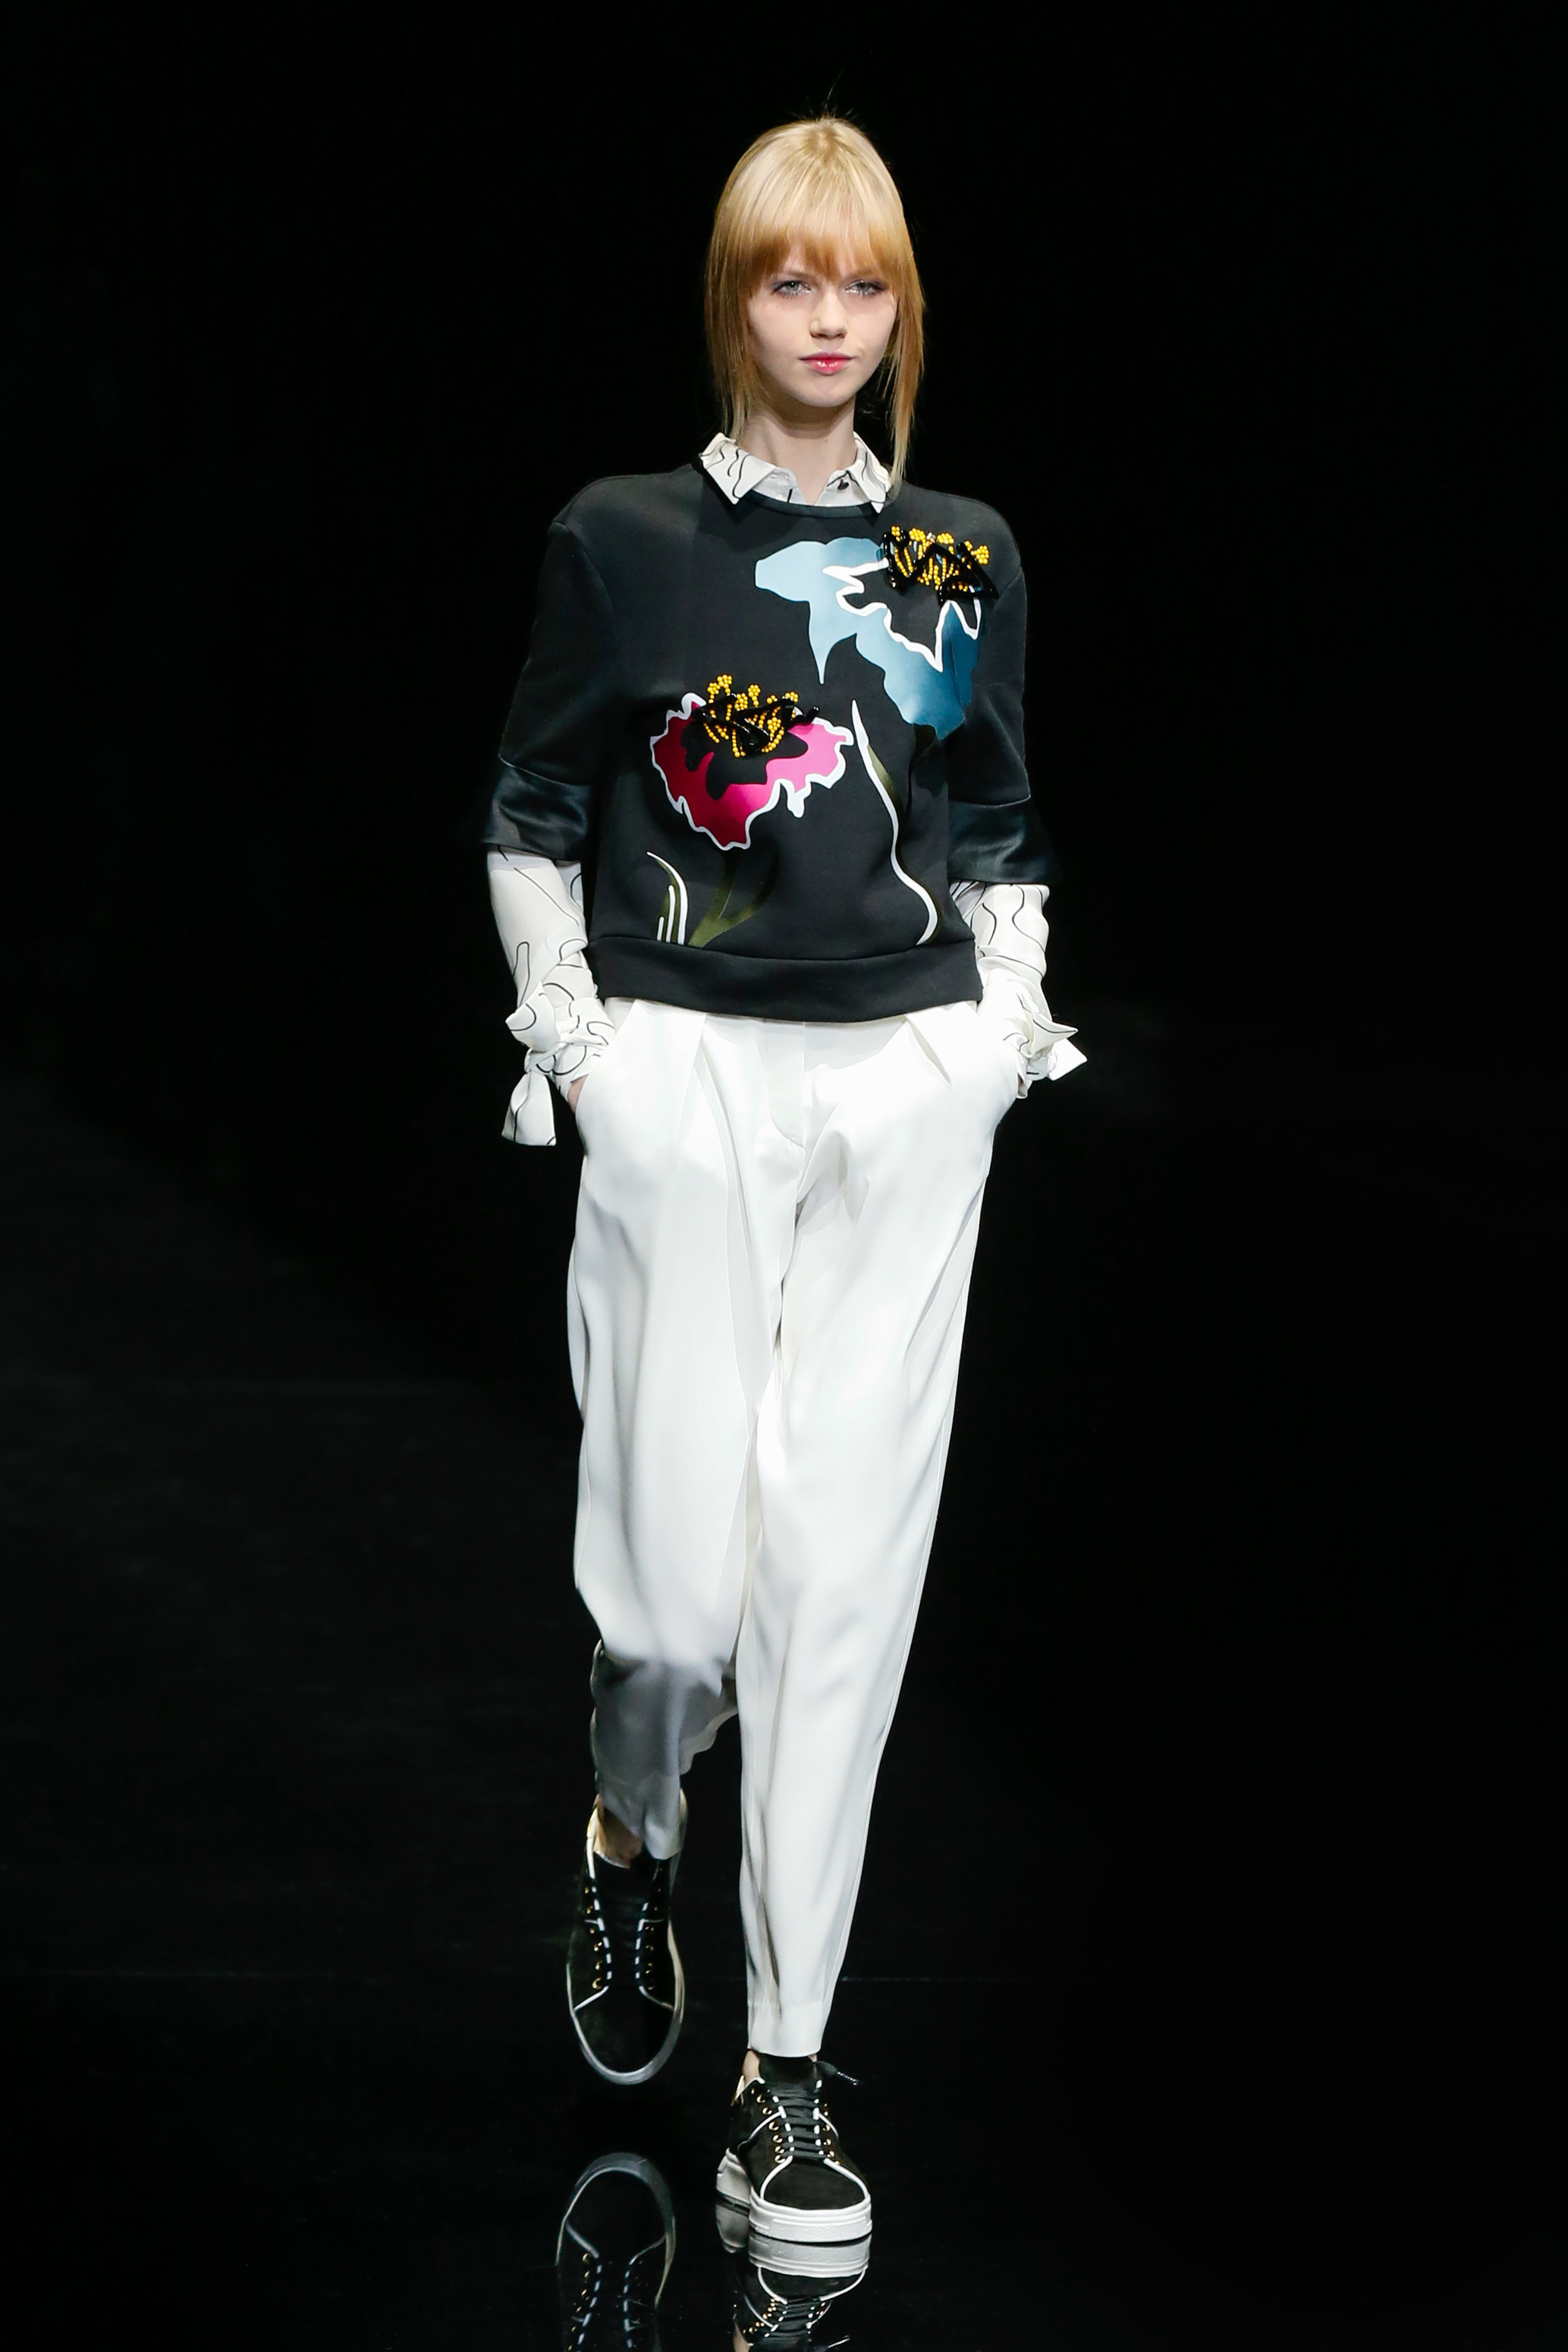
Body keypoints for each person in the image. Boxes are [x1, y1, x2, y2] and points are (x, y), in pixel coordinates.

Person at [484, 114, 1083, 2258]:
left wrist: (992, 1048)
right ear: (735, 299)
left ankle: (787, 2075)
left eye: (863, 284)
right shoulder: (621, 536)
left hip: (899, 1083)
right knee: (668, 1601)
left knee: (836, 1584)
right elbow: (534, 804)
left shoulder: (960, 555)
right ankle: (628, 1824)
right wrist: (590, 1057)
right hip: (682, 1068)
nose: (828, 318)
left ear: (899, 312)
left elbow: (991, 817)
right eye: (789, 278)